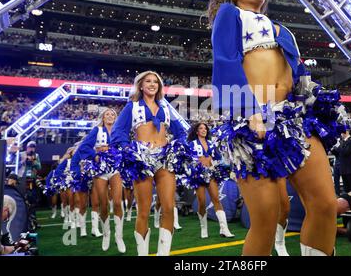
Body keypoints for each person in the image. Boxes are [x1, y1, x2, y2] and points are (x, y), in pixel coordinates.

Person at [209, 0, 347, 256]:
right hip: (253, 122)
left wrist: (323, 111)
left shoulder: (282, 31)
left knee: (324, 205)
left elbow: (300, 78)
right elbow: (225, 60)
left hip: (295, 121)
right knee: (266, 218)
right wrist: (248, 111)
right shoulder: (229, 13)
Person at [110, 71, 188, 256]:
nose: (152, 84)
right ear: (141, 85)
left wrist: (179, 145)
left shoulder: (167, 107)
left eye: (156, 82)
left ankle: (164, 253)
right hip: (142, 159)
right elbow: (118, 132)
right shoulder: (132, 106)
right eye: (148, 81)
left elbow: (181, 131)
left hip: (164, 157)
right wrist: (128, 149)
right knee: (143, 211)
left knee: (168, 207)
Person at [78, 108, 125, 252]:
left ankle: (119, 236)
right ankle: (106, 234)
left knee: (117, 202)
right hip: (100, 170)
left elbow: (125, 146)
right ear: (103, 118)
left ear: (115, 118)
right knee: (103, 204)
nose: (110, 116)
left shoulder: (119, 131)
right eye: (107, 114)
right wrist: (95, 154)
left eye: (113, 114)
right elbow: (84, 147)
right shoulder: (96, 130)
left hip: (115, 169)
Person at [183, 122, 234, 239]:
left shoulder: (211, 144)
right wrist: (196, 163)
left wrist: (214, 162)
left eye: (205, 128)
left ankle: (224, 229)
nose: (204, 130)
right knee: (201, 202)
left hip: (210, 173)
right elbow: (187, 159)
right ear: (196, 131)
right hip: (198, 175)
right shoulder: (192, 144)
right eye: (201, 128)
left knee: (216, 199)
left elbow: (219, 158)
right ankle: (204, 228)